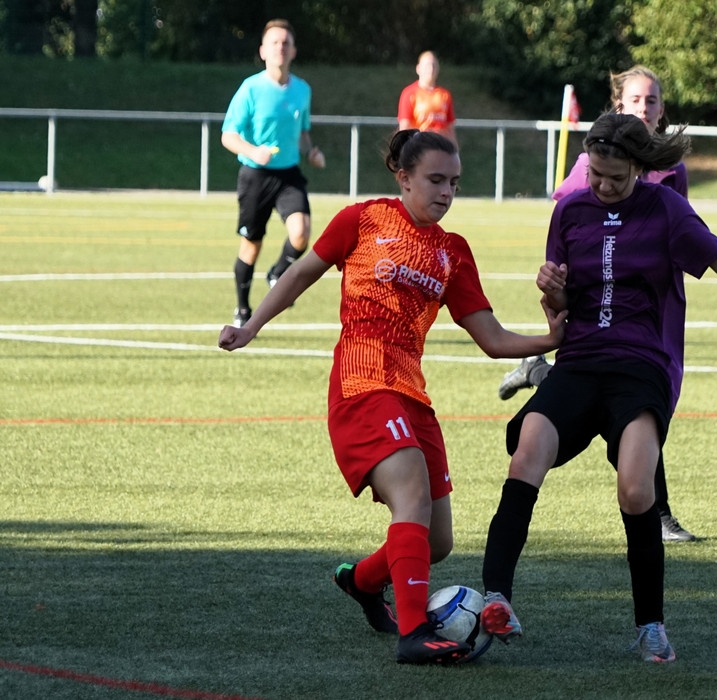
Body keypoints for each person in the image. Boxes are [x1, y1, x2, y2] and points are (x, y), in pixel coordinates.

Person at [218, 129, 565, 665]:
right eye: (435, 180)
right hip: (361, 382)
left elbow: (492, 338)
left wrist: (550, 338)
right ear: (403, 178)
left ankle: (360, 581)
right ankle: (414, 634)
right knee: (412, 498)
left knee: (437, 541)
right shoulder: (363, 219)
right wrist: (250, 326)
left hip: (412, 395)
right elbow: (300, 274)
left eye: (454, 183)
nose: (446, 192)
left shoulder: (453, 251)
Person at [479, 112, 717, 662]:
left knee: (635, 488)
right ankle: (496, 599)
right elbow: (562, 304)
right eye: (595, 175)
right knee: (527, 453)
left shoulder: (666, 208)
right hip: (580, 360)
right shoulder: (570, 210)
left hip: (641, 366)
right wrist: (552, 290)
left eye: (616, 177)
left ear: (639, 168)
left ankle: (651, 627)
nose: (603, 186)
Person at [498, 66, 695, 543]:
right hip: (596, 307)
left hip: (650, 303)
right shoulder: (594, 163)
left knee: (642, 403)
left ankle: (538, 372)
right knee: (634, 404)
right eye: (635, 100)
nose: (644, 108)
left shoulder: (672, 174)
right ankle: (659, 513)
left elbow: (684, 232)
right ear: (618, 106)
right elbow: (572, 209)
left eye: (652, 101)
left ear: (662, 109)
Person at [221, 18, 326, 328]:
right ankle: (243, 310)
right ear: (263, 51)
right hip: (255, 176)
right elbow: (228, 135)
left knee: (301, 233)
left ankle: (278, 273)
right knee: (251, 245)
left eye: (286, 43)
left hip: (288, 174)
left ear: (293, 51)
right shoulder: (250, 89)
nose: (280, 47)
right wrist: (253, 151)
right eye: (274, 43)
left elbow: (302, 133)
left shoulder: (302, 90)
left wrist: (311, 152)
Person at [397, 51, 457, 145]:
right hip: (419, 146)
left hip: (440, 146)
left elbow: (450, 129)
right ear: (418, 68)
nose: (431, 69)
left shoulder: (444, 94)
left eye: (434, 65)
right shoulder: (409, 93)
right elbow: (404, 127)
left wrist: (455, 150)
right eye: (427, 65)